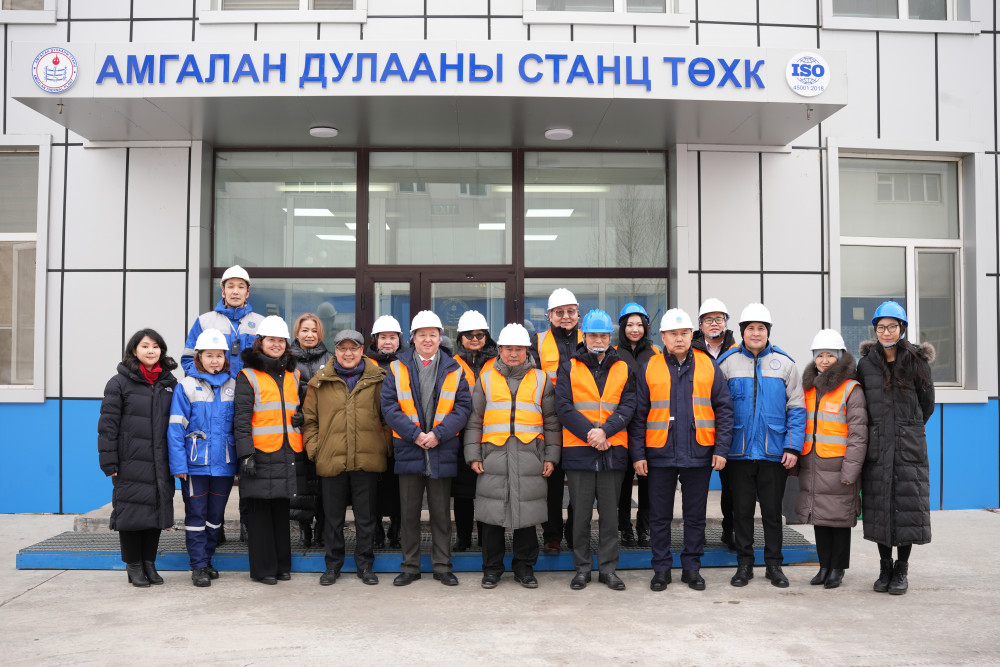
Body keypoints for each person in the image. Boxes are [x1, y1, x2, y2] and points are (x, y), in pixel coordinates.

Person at [629, 309, 733, 592]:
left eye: (684, 333)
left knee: (695, 516)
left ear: (691, 335)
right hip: (659, 453)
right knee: (659, 517)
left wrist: (721, 449)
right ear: (662, 337)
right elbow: (638, 416)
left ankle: (692, 568)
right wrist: (638, 455)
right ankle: (661, 569)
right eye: (673, 334)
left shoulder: (708, 365)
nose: (679, 338)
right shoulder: (650, 367)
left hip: (699, 452)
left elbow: (724, 409)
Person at [464, 323, 561, 589]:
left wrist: (551, 457)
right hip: (493, 457)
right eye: (508, 349)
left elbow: (552, 422)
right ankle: (491, 570)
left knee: (527, 516)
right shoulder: (485, 379)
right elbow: (475, 420)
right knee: (492, 516)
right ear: (500, 350)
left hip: (530, 457)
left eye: (519, 349)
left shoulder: (541, 379)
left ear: (527, 350)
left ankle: (524, 568)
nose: (514, 354)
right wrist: (473, 455)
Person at [717, 303, 805, 588]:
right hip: (738, 452)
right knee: (741, 512)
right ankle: (744, 565)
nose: (756, 333)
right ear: (742, 332)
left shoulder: (785, 364)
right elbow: (717, 409)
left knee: (772, 513)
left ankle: (774, 565)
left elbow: (796, 409)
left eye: (761, 328)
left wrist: (792, 447)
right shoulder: (727, 363)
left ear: (768, 332)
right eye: (750, 328)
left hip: (773, 452)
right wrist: (720, 448)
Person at [381, 310, 472, 586]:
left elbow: (463, 408)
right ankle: (410, 567)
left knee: (441, 514)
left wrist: (438, 435)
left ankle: (442, 566)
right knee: (408, 514)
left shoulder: (454, 368)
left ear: (440, 337)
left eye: (433, 334)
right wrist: (415, 435)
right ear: (413, 338)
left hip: (441, 449)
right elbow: (389, 407)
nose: (428, 339)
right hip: (409, 449)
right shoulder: (397, 367)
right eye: (422, 335)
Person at [182, 265, 264, 544]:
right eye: (231, 286)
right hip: (216, 403)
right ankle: (213, 529)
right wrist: (209, 383)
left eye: (241, 287)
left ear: (248, 292)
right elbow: (187, 359)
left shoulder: (260, 322)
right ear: (223, 290)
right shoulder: (205, 321)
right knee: (219, 464)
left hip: (251, 402)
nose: (236, 291)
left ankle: (247, 524)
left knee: (248, 463)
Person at [857, 301, 934, 595]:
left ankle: (901, 570)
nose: (886, 332)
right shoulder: (866, 364)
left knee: (906, 508)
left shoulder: (917, 362)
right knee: (879, 507)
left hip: (908, 446)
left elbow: (927, 405)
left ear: (902, 328)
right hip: (877, 446)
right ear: (875, 330)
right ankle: (884, 567)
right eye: (881, 327)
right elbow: (862, 405)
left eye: (892, 326)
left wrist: (907, 429)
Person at [556, 309, 636, 591]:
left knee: (610, 516)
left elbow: (629, 404)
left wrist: (606, 431)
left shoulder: (623, 367)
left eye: (603, 335)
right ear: (584, 336)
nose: (598, 340)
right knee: (580, 516)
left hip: (612, 451)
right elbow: (563, 407)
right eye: (593, 335)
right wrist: (592, 434)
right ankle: (582, 569)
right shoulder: (569, 367)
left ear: (610, 337)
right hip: (580, 452)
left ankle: (608, 569)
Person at [303, 330, 391, 586]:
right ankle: (332, 566)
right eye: (343, 348)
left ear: (362, 350)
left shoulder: (379, 379)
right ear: (336, 351)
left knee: (366, 518)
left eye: (353, 348)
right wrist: (316, 450)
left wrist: (383, 445)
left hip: (367, 459)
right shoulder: (319, 382)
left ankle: (365, 566)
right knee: (332, 520)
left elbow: (388, 417)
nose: (348, 353)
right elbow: (309, 421)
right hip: (331, 459)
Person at [98, 328, 178, 588]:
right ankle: (133, 565)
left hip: (160, 460)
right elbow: (108, 426)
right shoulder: (119, 383)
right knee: (131, 514)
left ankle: (149, 564)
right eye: (145, 346)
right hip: (130, 460)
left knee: (156, 513)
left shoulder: (169, 383)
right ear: (134, 350)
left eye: (155, 346)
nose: (151, 351)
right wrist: (109, 462)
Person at [793, 329, 868, 590]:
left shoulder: (850, 389)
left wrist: (851, 469)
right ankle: (824, 566)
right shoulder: (809, 388)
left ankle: (838, 568)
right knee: (819, 518)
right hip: (813, 465)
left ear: (840, 357)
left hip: (838, 466)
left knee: (839, 520)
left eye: (830, 355)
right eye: (819, 355)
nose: (824, 360)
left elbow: (858, 434)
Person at [234, 315, 304, 585]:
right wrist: (246, 455)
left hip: (286, 451)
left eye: (281, 341)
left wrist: (301, 418)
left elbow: (297, 408)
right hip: (260, 453)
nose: (276, 345)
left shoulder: (293, 374)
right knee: (260, 513)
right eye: (271, 340)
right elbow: (241, 420)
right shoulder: (248, 376)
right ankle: (264, 569)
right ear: (260, 342)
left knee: (280, 511)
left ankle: (282, 565)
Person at [167, 328, 238, 587]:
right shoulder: (186, 386)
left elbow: (239, 427)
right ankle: (197, 566)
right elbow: (176, 429)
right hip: (195, 465)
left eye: (219, 355)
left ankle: (206, 560)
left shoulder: (233, 385)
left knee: (215, 517)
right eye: (209, 355)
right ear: (199, 357)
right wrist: (178, 465)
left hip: (224, 465)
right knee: (196, 516)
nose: (215, 360)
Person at [531, 287, 582, 555]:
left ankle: (575, 534)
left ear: (578, 314)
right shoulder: (537, 342)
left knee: (579, 484)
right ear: (549, 315)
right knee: (550, 483)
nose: (565, 316)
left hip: (582, 423)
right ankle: (552, 536)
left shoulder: (589, 338)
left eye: (570, 311)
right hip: (549, 422)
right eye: (559, 312)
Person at [692, 297, 739, 550]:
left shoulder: (739, 350)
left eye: (718, 318)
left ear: (726, 322)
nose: (714, 323)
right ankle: (696, 532)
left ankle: (729, 530)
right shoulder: (691, 351)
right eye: (708, 319)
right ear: (700, 324)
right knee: (696, 486)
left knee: (731, 485)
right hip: (697, 427)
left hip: (728, 426)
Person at [452, 310, 498, 552]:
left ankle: (484, 538)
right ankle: (463, 538)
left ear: (486, 337)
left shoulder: (498, 361)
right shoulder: (452, 363)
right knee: (463, 491)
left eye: (479, 335)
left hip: (491, 432)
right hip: (461, 434)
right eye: (469, 335)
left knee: (487, 490)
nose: (475, 339)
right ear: (460, 337)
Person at [614, 302, 656, 548]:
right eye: (630, 325)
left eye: (639, 325)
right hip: (621, 426)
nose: (635, 329)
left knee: (648, 480)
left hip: (650, 427)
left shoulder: (656, 354)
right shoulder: (613, 353)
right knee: (623, 483)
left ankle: (644, 528)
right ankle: (624, 528)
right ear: (622, 327)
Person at [289, 313, 332, 549]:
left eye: (314, 331)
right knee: (302, 483)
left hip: (324, 430)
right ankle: (304, 528)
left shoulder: (331, 359)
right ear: (297, 333)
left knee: (324, 481)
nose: (309, 335)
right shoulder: (287, 360)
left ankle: (322, 528)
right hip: (296, 428)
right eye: (305, 330)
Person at [367, 314, 404, 550]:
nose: (388, 341)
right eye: (383, 337)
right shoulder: (364, 363)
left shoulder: (408, 362)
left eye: (392, 337)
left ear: (399, 339)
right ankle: (377, 531)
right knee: (374, 487)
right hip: (372, 434)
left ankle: (397, 531)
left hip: (401, 433)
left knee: (399, 487)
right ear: (375, 339)